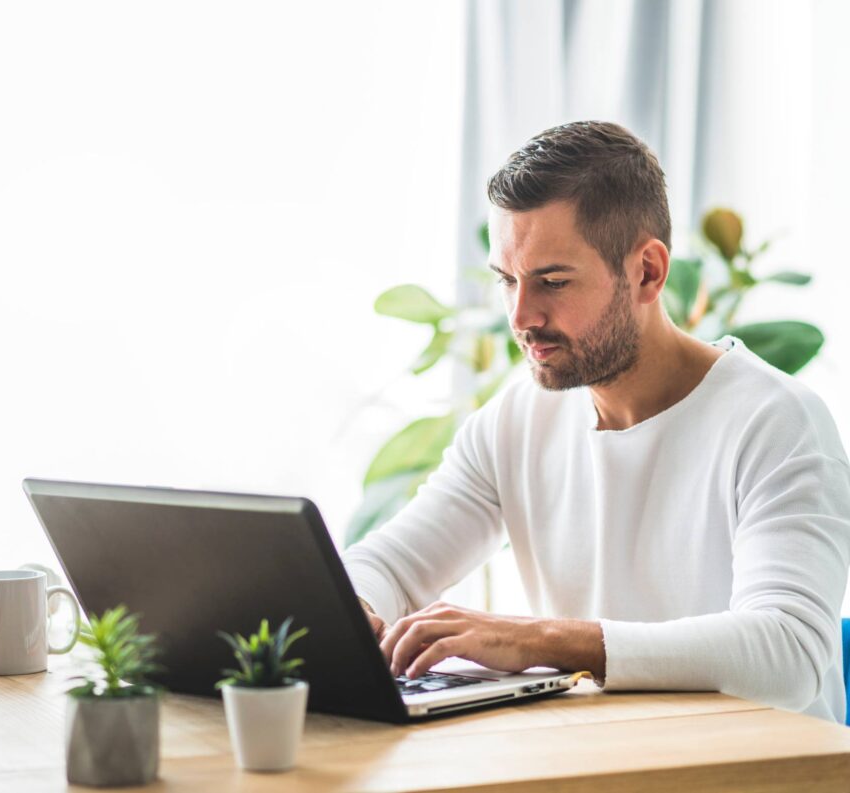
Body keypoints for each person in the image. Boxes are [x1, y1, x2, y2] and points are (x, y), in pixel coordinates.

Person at [342, 120, 850, 723]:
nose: (522, 316)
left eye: (551, 281)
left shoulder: (776, 423)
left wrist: (541, 640)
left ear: (648, 272)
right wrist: (350, 609)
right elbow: (391, 565)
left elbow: (788, 655)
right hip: (602, 765)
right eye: (507, 280)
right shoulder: (515, 420)